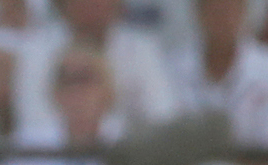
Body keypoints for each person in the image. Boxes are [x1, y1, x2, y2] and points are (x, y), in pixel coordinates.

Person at [0, 46, 155, 165]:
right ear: (54, 93)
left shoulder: (131, 143)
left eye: (86, 79)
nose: (77, 91)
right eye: (67, 81)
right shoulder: (25, 146)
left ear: (108, 91)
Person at [12, 0, 178, 132]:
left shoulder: (143, 49)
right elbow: (34, 123)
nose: (92, 4)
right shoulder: (36, 52)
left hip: (130, 158)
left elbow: (164, 118)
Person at [177, 0, 268, 144]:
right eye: (214, 11)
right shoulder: (174, 67)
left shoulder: (265, 68)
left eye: (229, 10)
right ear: (198, 13)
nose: (222, 19)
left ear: (244, 13)